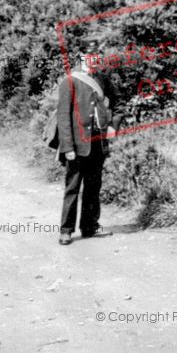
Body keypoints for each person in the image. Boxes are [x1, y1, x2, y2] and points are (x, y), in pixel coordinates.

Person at [57, 40, 122, 246]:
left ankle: (90, 227)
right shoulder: (70, 81)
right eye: (89, 56)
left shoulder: (102, 79)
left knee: (94, 186)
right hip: (76, 144)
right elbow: (63, 117)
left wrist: (113, 126)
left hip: (98, 142)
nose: (94, 60)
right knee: (73, 188)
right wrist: (67, 147)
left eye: (97, 57)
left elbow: (119, 103)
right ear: (82, 57)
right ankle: (66, 230)